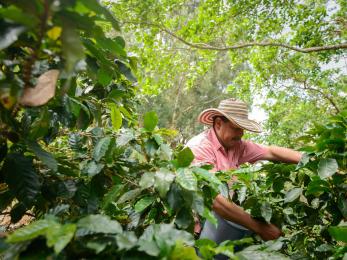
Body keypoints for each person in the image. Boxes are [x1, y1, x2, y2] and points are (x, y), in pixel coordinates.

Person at [186, 98, 302, 251]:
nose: (241, 133)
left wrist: (311, 159)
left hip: (218, 225)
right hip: (191, 232)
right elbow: (215, 200)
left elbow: (270, 151)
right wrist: (260, 227)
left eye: (242, 128)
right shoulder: (200, 148)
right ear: (219, 123)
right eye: (236, 128)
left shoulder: (236, 146)